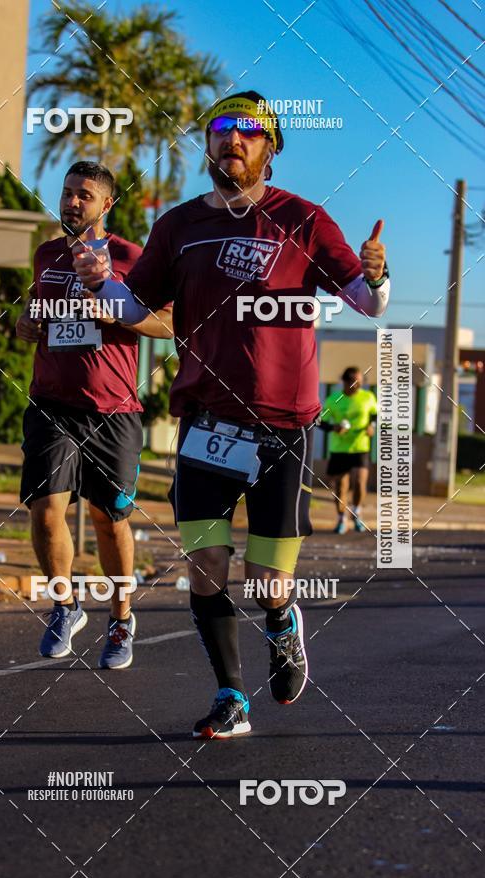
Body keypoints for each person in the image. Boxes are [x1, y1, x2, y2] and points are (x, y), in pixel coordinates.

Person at [72, 91, 390, 737]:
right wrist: (97, 282)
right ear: (209, 144)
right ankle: (230, 696)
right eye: (221, 130)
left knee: (269, 580)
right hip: (205, 424)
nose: (232, 141)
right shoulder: (180, 226)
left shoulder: (302, 219)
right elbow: (135, 308)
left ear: (270, 147)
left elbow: (367, 303)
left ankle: (282, 621)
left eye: (248, 132)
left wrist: (378, 276)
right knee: (206, 564)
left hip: (281, 427)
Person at [16, 161, 172, 669]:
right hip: (52, 402)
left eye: (84, 195)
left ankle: (122, 618)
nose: (72, 202)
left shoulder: (130, 257)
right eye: (66, 193)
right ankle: (65, 605)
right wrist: (28, 322)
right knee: (44, 510)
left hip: (113, 409)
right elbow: (37, 309)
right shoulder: (46, 255)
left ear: (106, 204)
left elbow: (171, 323)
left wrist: (122, 312)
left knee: (110, 520)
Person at [320, 367, 378, 534]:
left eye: (361, 382)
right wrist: (334, 427)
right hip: (340, 449)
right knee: (341, 486)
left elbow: (374, 414)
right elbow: (320, 422)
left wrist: (371, 426)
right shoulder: (334, 399)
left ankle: (357, 512)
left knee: (360, 481)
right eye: (355, 382)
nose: (358, 385)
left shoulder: (368, 397)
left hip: (360, 447)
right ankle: (341, 519)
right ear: (345, 382)